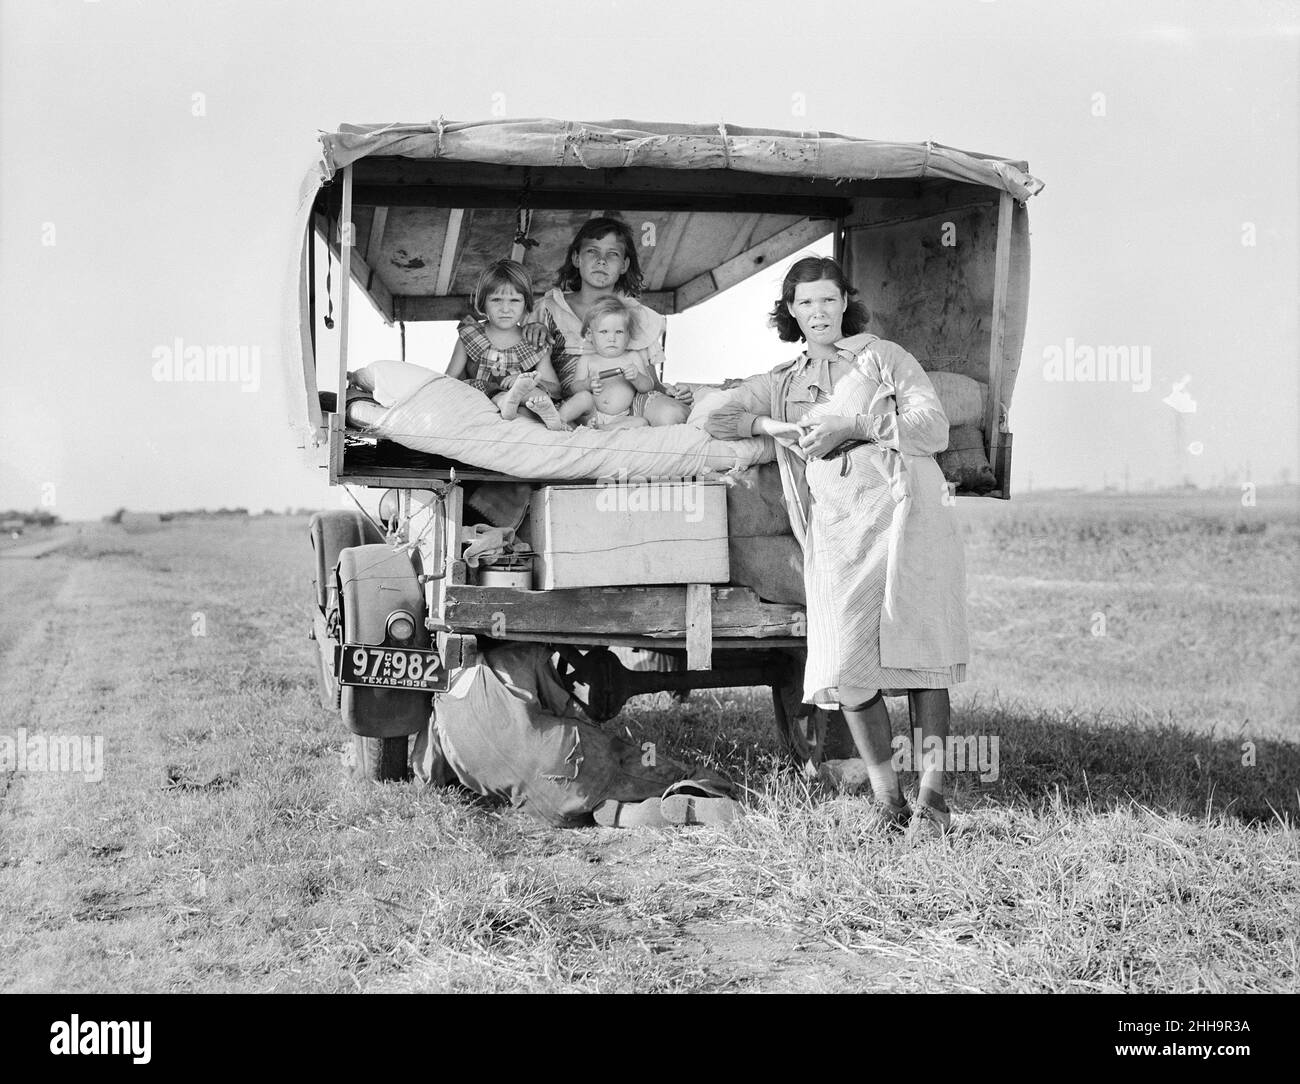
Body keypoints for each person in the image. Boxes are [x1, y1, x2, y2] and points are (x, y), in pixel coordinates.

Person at [703, 257, 968, 839]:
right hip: (838, 528)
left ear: (844, 302)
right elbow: (715, 415)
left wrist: (858, 426)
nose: (818, 312)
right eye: (805, 303)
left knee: (920, 653)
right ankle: (888, 802)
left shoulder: (883, 357)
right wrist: (771, 428)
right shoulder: (784, 380)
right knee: (847, 664)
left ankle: (934, 800)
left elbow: (933, 427)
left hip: (906, 514)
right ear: (790, 312)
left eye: (828, 300)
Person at [522, 217, 692, 426]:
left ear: (624, 264)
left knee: (672, 414)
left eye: (612, 254)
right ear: (576, 258)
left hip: (631, 406)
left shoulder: (636, 315)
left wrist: (673, 392)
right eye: (592, 251)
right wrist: (532, 329)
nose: (601, 260)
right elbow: (527, 366)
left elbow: (652, 384)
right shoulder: (549, 309)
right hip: (577, 406)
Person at [447, 259, 569, 430]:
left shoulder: (534, 342)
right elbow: (448, 380)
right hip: (479, 404)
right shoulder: (469, 336)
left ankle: (549, 419)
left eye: (514, 300)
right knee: (479, 393)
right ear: (483, 303)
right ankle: (505, 400)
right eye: (496, 300)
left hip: (518, 410)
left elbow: (555, 389)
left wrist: (528, 381)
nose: (505, 309)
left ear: (526, 303)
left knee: (534, 397)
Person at [555, 297, 654, 430]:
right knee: (583, 397)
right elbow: (574, 388)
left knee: (642, 422)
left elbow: (648, 386)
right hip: (591, 413)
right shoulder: (587, 359)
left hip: (621, 417)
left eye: (619, 332)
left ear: (628, 336)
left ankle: (603, 428)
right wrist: (586, 384)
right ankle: (559, 420)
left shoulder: (632, 357)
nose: (612, 338)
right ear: (590, 335)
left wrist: (637, 378)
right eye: (604, 332)